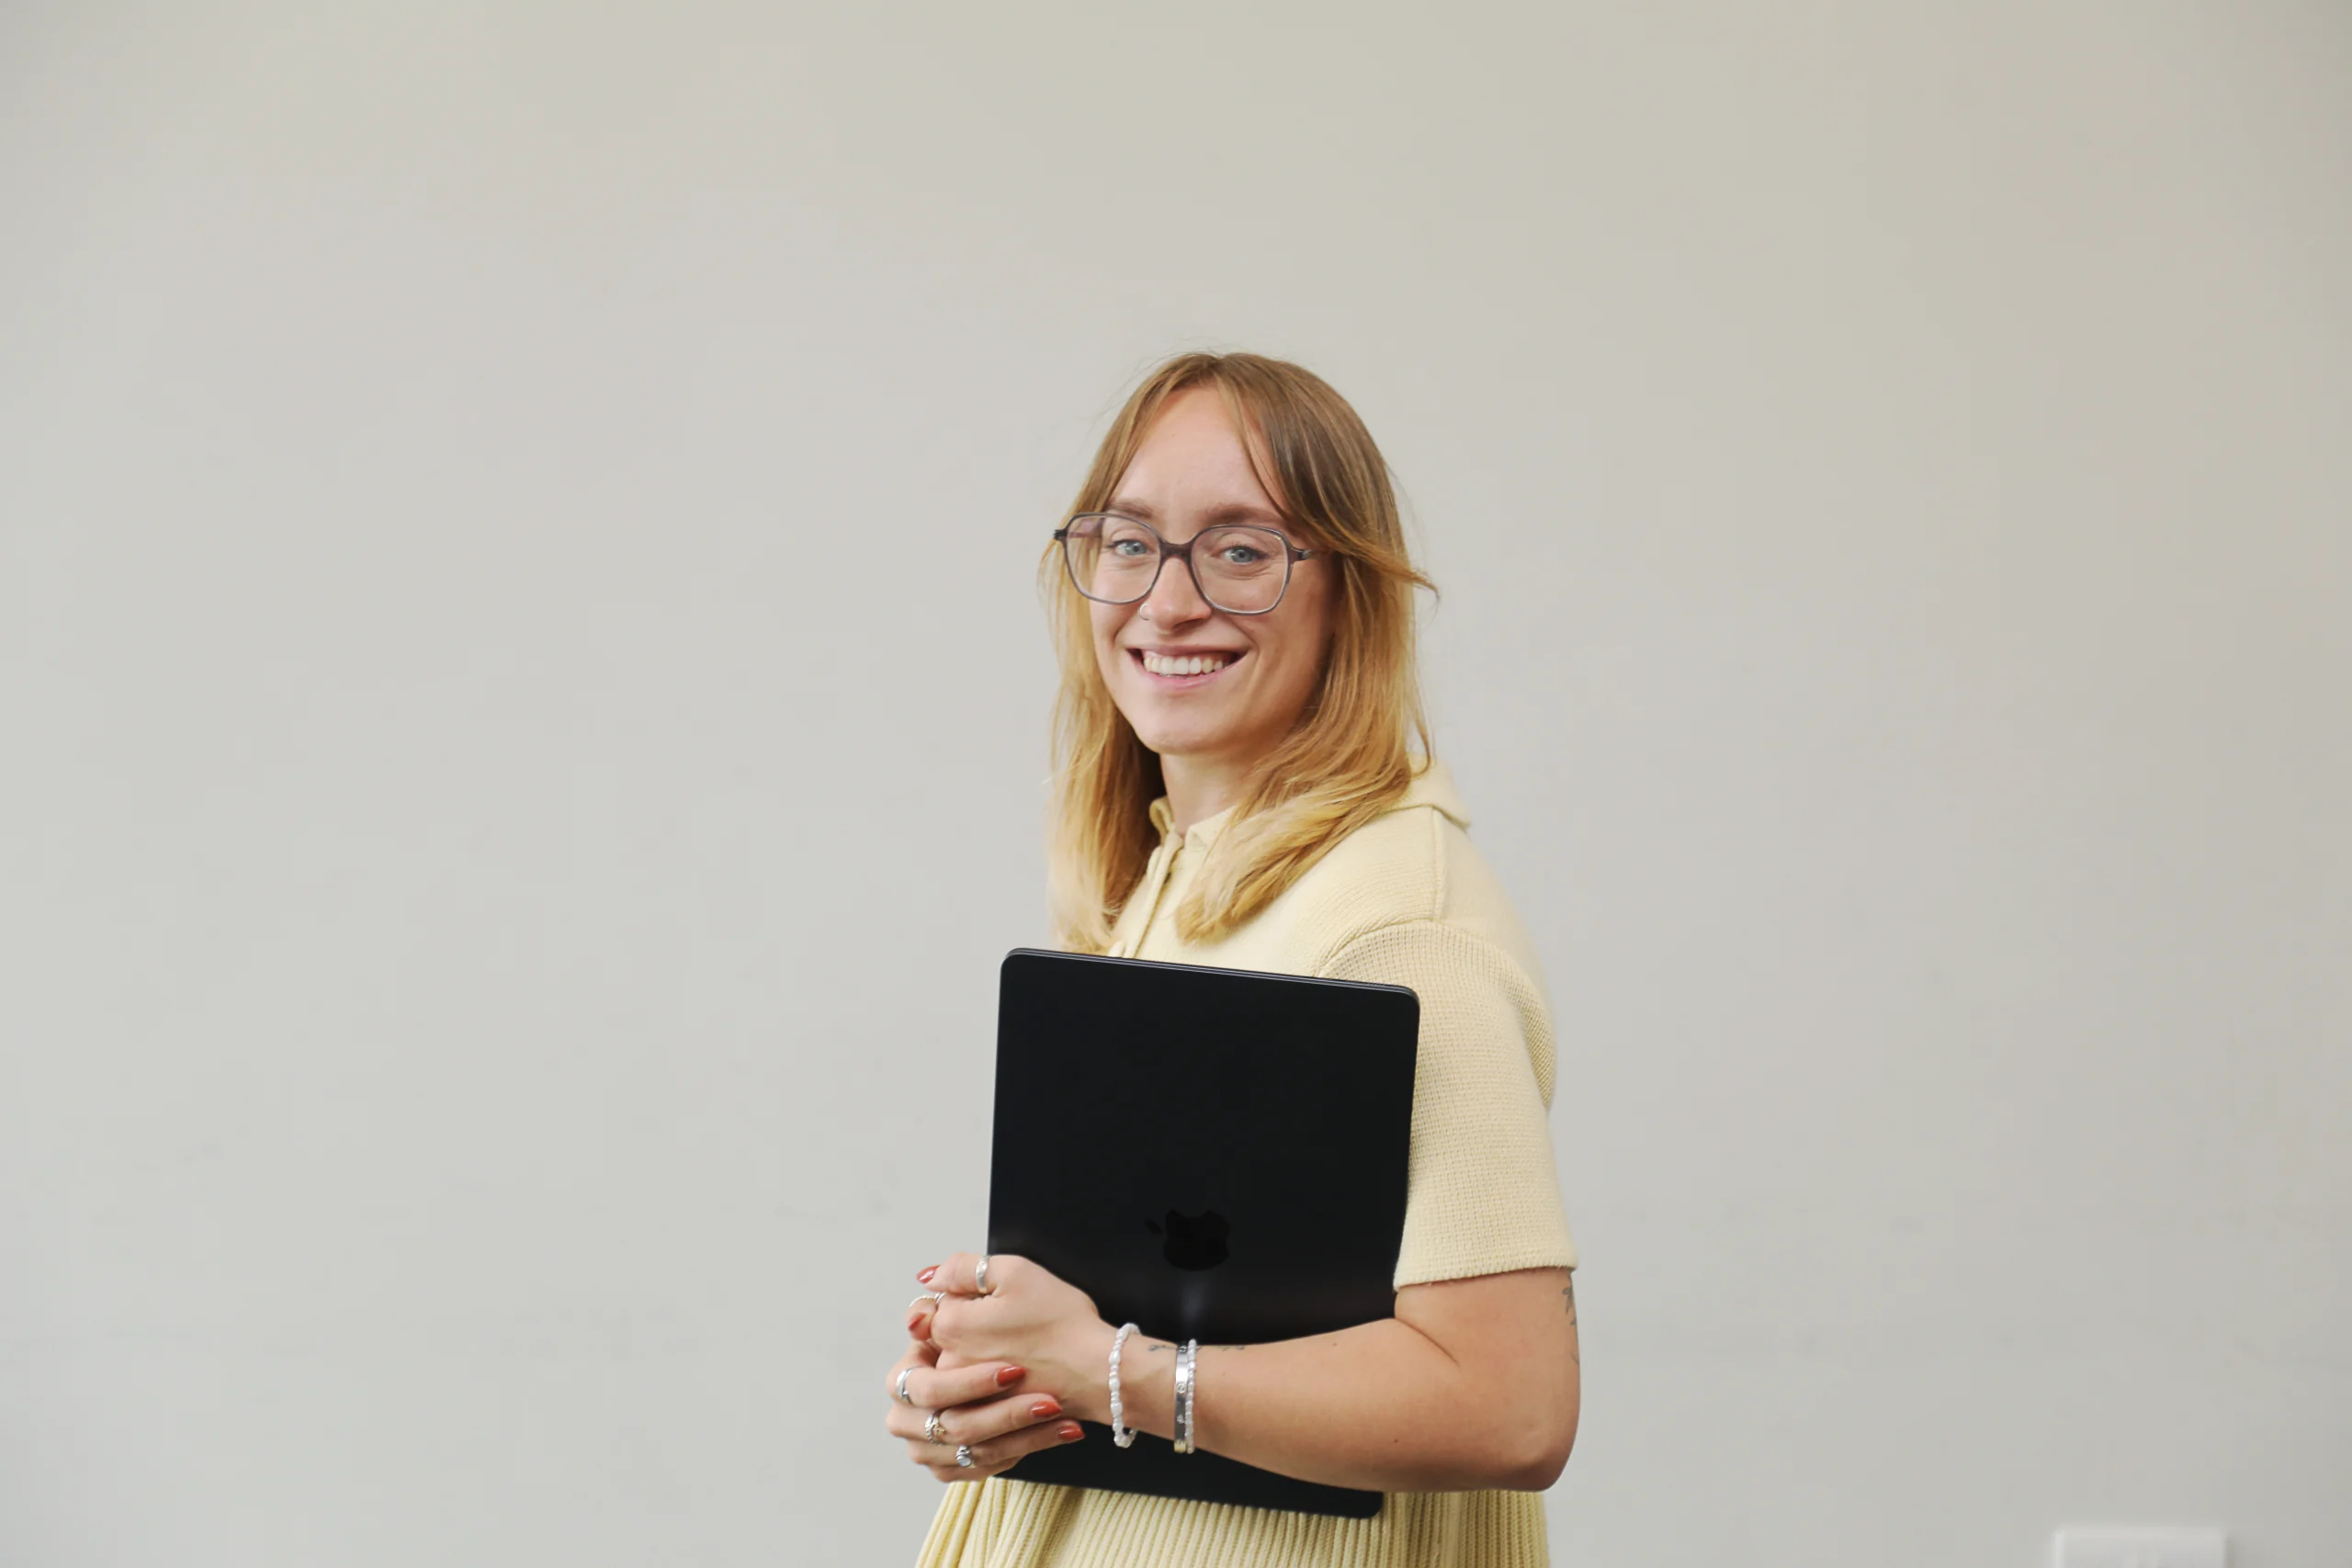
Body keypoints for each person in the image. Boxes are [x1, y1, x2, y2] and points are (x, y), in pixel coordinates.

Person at [882, 352, 1582, 1567]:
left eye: (1242, 549)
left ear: (1347, 595)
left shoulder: (1397, 929)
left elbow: (1509, 1403)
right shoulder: (1180, 881)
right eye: (1130, 541)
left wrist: (1113, 1371)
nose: (1167, 601)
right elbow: (1165, 1327)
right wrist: (994, 1391)